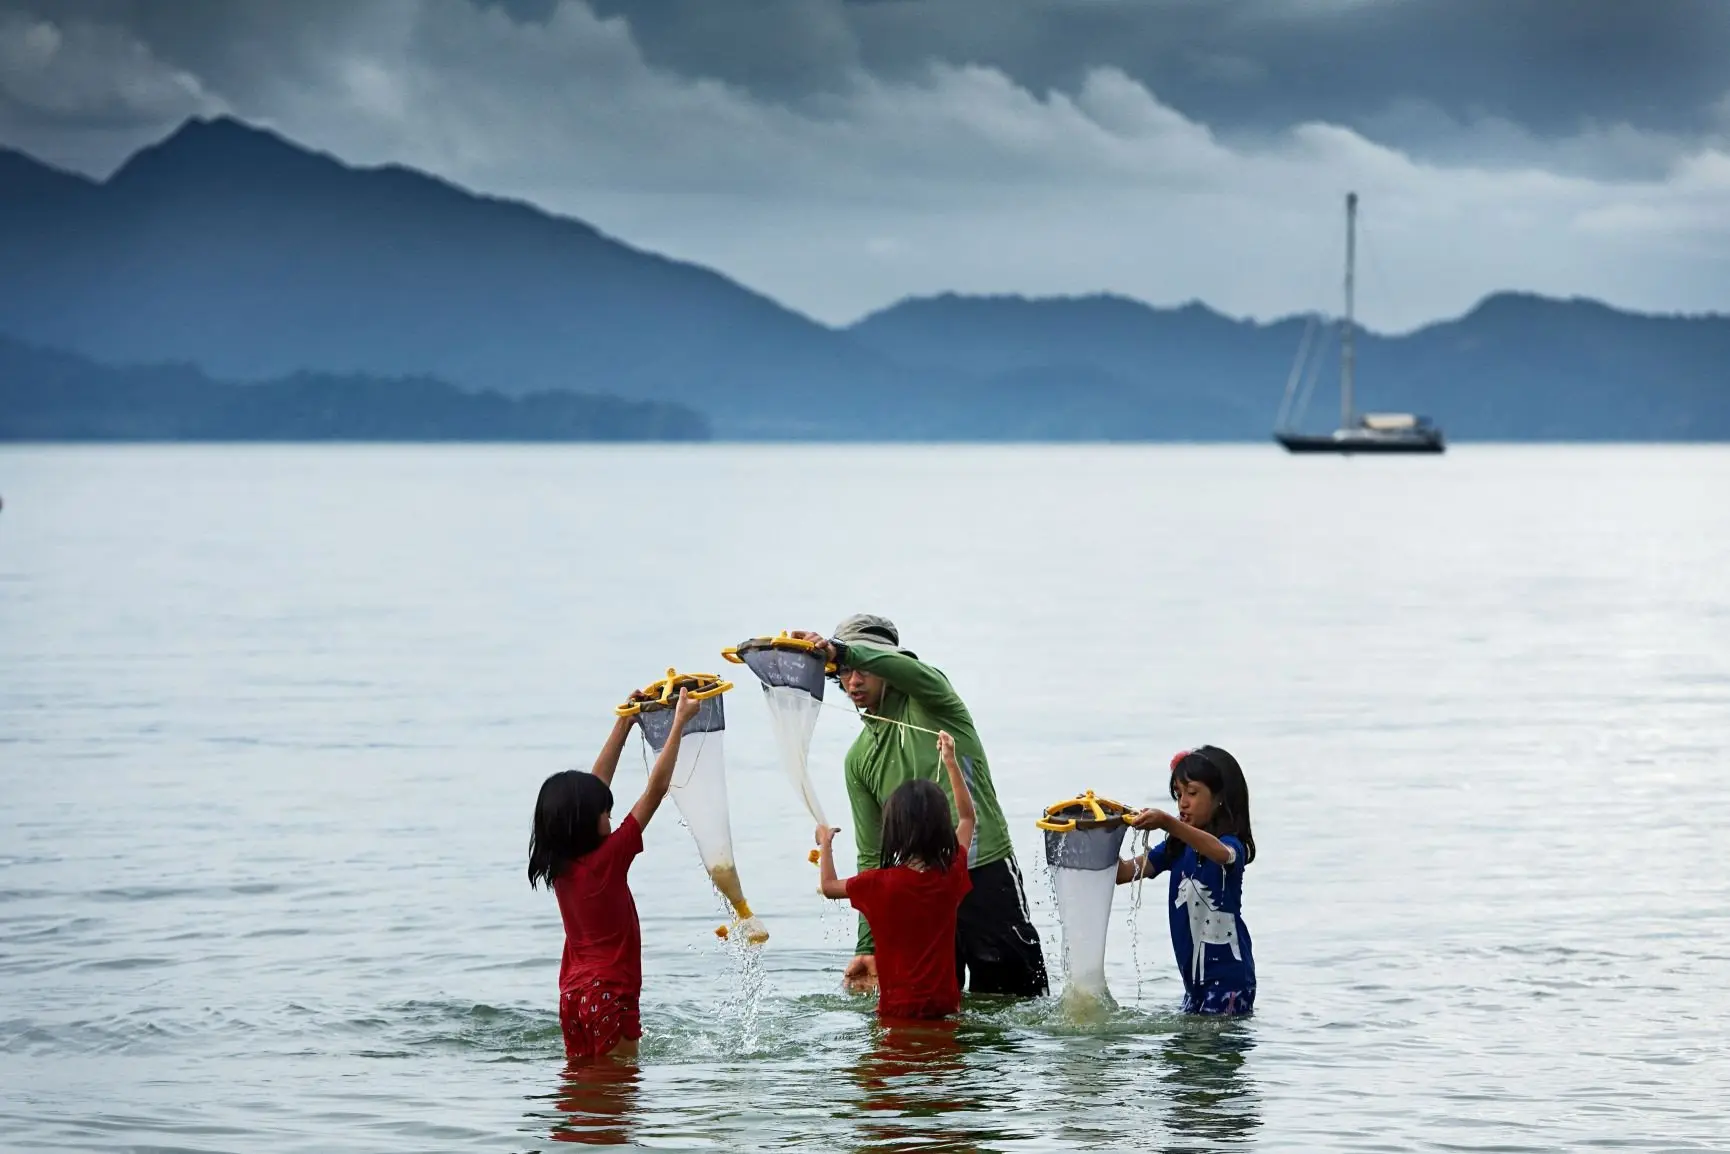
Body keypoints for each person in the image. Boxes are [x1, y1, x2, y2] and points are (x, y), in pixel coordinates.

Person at [791, 615, 1047, 998]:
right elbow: (871, 856)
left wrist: (841, 651)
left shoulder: (934, 700)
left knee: (1021, 1003)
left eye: (864, 669)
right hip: (918, 899)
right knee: (937, 1008)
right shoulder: (858, 760)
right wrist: (868, 945)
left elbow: (910, 671)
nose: (853, 681)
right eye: (844, 672)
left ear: (889, 667)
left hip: (984, 874)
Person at [528, 687, 701, 1061]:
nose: (610, 815)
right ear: (586, 823)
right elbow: (655, 791)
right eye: (605, 812)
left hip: (573, 997)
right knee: (618, 1092)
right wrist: (680, 725)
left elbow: (592, 789)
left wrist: (624, 723)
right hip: (611, 993)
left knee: (582, 1084)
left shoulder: (558, 864)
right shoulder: (609, 858)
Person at [815, 730, 976, 1019]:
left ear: (892, 830)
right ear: (941, 826)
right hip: (945, 1010)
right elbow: (967, 818)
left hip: (895, 1013)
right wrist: (950, 761)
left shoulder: (877, 884)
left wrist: (825, 844)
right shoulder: (951, 874)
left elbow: (828, 887)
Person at [1116, 745, 1257, 1015]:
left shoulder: (1230, 846)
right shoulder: (1177, 847)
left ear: (1219, 798)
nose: (1183, 803)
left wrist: (1169, 823)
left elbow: (1220, 853)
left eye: (1192, 793)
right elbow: (1123, 874)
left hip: (1231, 985)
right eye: (1178, 794)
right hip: (1194, 988)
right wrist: (1100, 833)